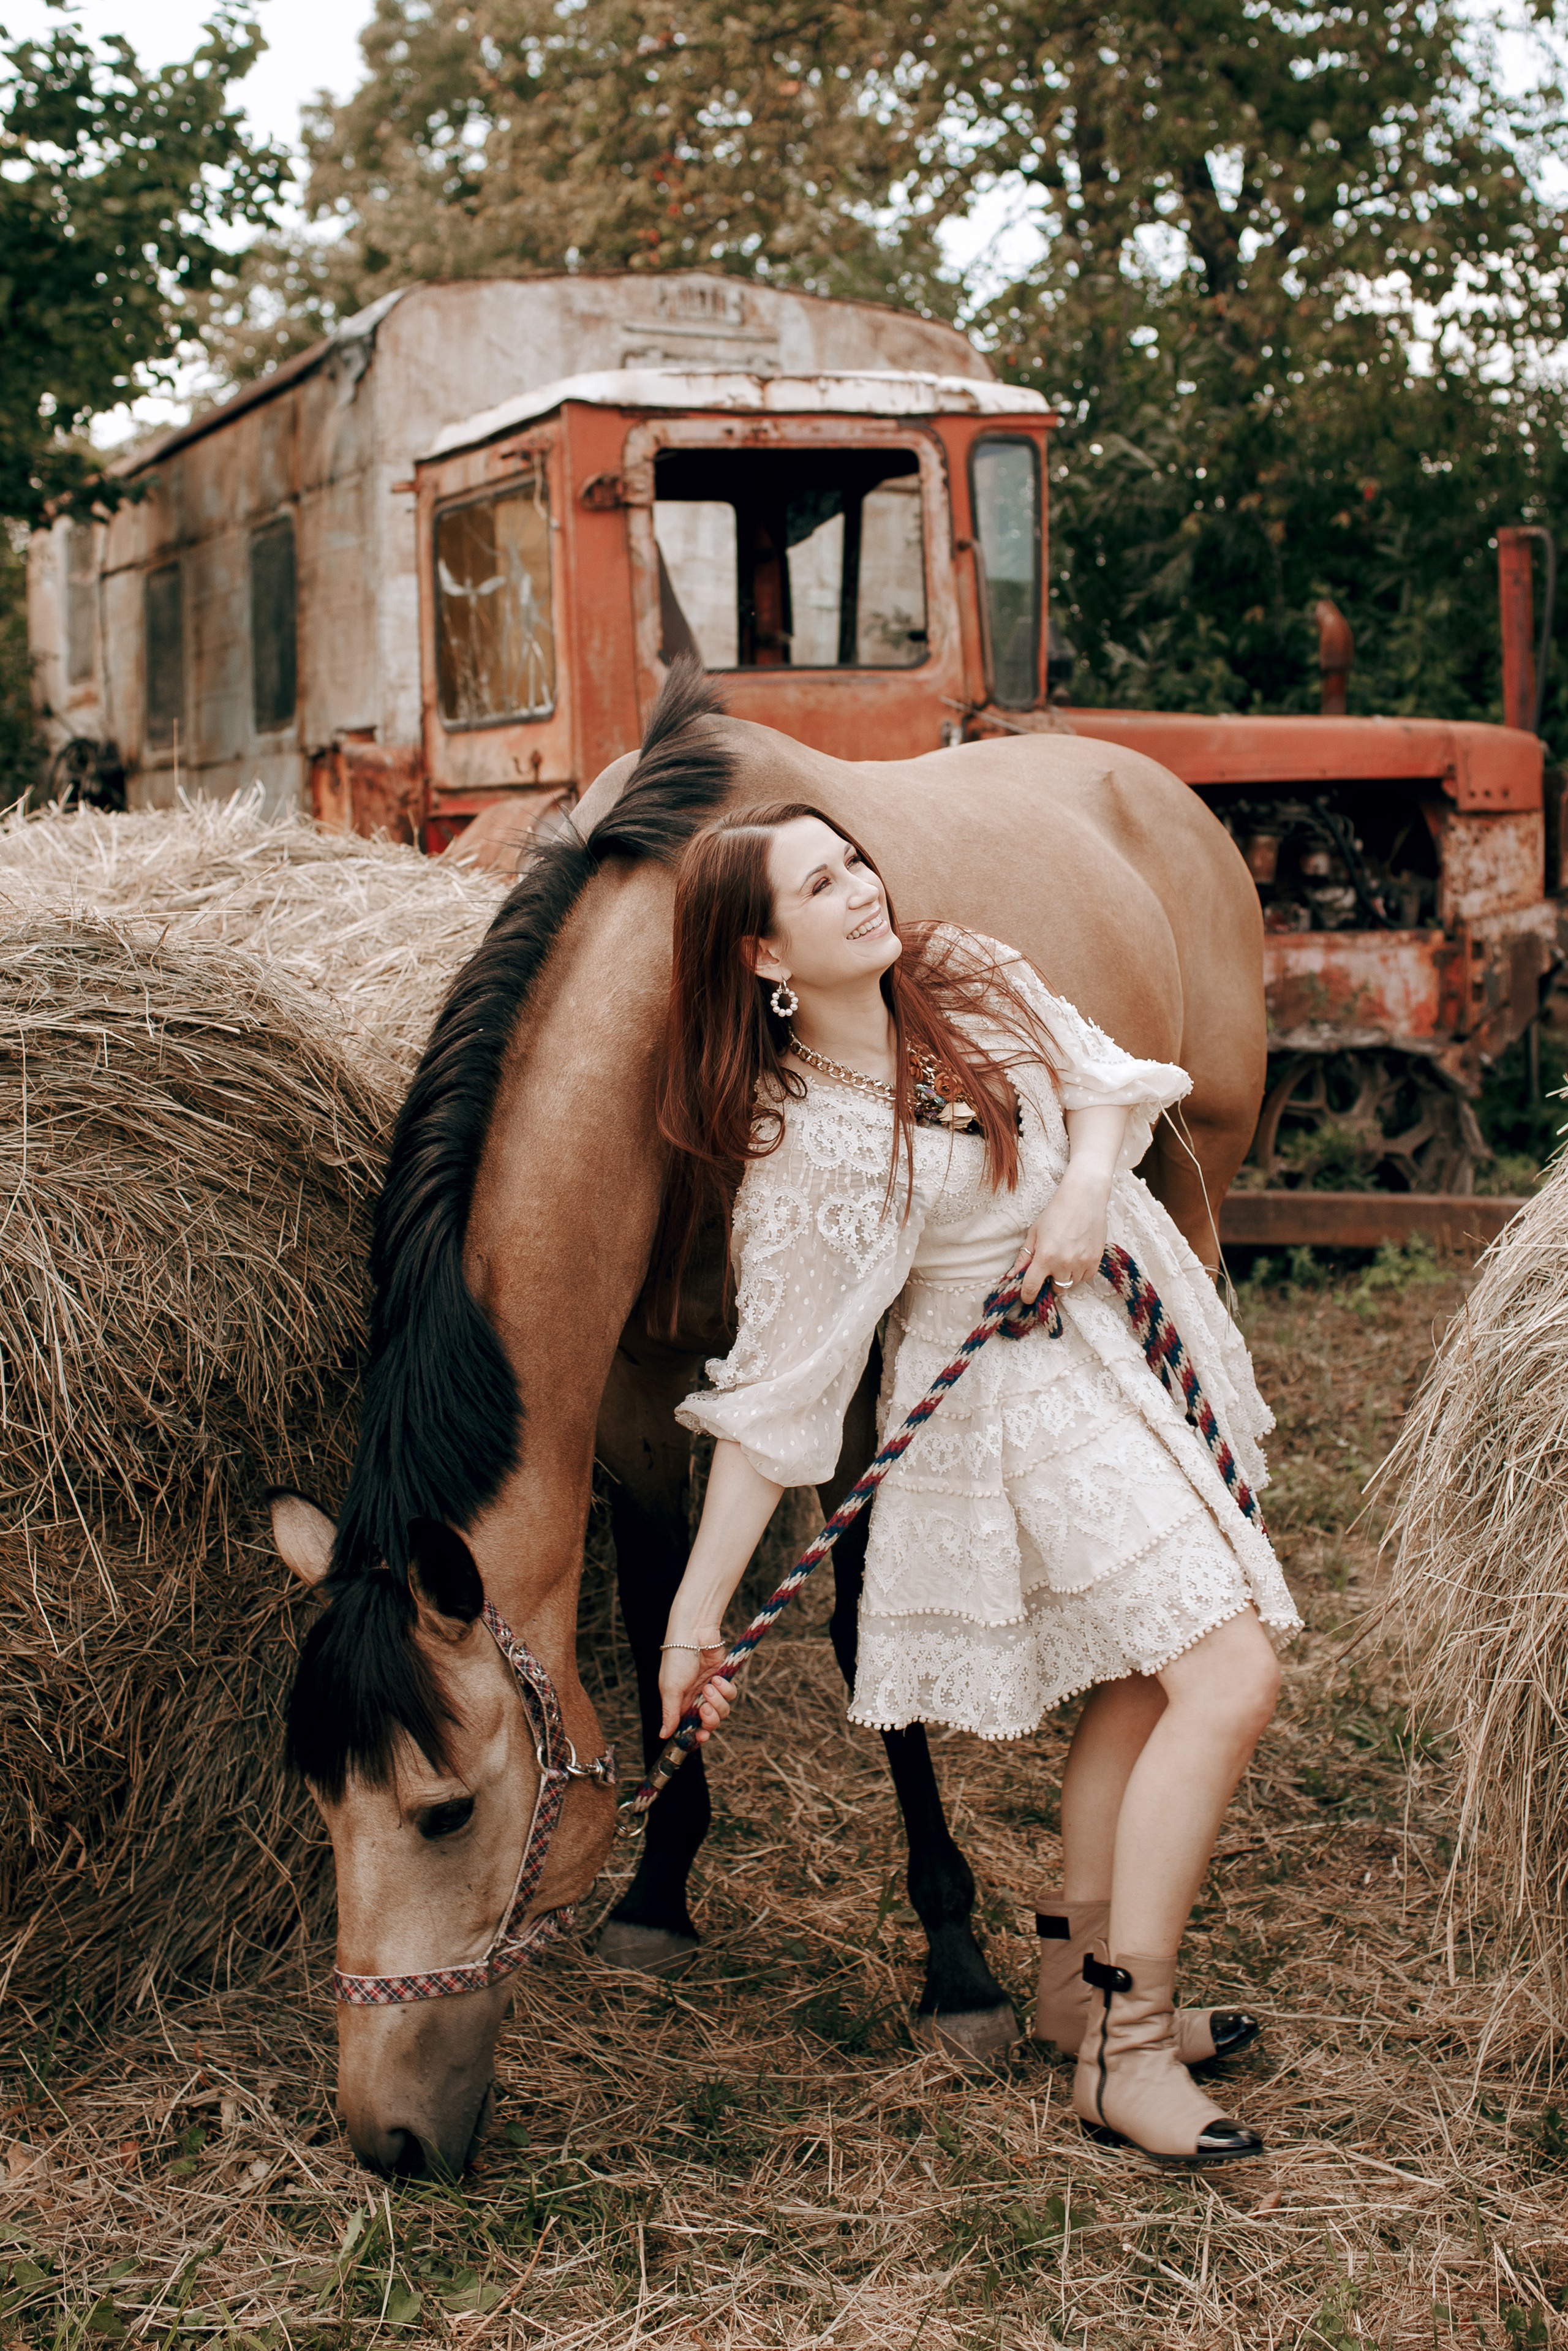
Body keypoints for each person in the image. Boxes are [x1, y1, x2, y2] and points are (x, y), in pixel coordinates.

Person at [652, 801, 1299, 2165]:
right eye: (817, 885)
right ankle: (1128, 2051)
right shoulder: (809, 1149)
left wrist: (1080, 1188)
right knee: (1229, 1675)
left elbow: (1105, 1077)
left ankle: (1076, 1988)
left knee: (1149, 1673)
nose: (860, 889)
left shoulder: (960, 971)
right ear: (764, 954)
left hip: (1123, 1342)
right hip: (1017, 1401)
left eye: (854, 861)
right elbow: (777, 1405)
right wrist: (693, 1620)